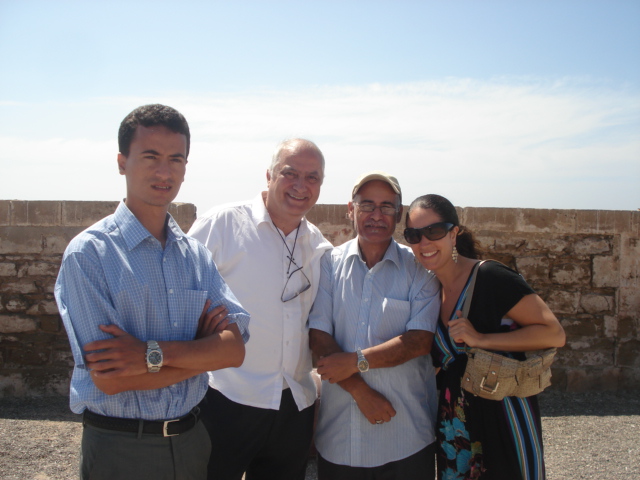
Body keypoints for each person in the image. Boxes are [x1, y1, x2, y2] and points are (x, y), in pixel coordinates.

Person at [54, 104, 250, 480]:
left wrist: (148, 355)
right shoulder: (90, 255)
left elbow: (234, 350)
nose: (165, 171)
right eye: (151, 157)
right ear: (121, 162)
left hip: (192, 442)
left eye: (176, 159)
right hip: (121, 449)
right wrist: (199, 356)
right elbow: (110, 380)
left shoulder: (194, 255)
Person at [187, 138, 332, 480]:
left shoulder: (318, 246)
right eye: (290, 173)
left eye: (312, 178)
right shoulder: (222, 225)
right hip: (226, 396)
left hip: (293, 403)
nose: (301, 185)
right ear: (269, 176)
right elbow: (182, 296)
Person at [404, 193, 566, 480]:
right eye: (414, 235)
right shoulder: (429, 290)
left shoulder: (490, 277)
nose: (424, 242)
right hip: (457, 424)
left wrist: (481, 339)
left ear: (454, 234)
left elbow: (553, 333)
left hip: (504, 413)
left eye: (434, 231)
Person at [308, 171, 441, 480]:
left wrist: (356, 361)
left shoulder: (419, 268)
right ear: (350, 210)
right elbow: (319, 336)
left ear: (399, 214)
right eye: (367, 205)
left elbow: (419, 341)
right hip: (339, 437)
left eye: (386, 206)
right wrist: (359, 391)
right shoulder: (330, 264)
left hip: (405, 438)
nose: (376, 215)